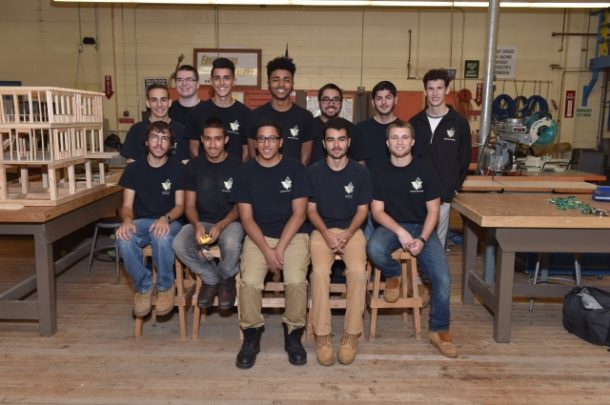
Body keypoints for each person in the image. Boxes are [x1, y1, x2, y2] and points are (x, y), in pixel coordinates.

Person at [366, 119, 457, 359]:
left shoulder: (425, 170)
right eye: (394, 138)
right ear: (387, 143)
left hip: (422, 227)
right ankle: (393, 274)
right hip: (391, 226)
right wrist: (400, 231)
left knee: (443, 278)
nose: (400, 142)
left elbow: (434, 211)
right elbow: (377, 212)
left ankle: (439, 330)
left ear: (413, 142)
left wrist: (423, 239)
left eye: (405, 137)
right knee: (374, 248)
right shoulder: (379, 172)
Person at [231, 121, 311, 369]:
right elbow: (246, 218)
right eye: (261, 139)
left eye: (272, 139)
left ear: (281, 142)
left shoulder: (296, 169)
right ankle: (251, 334)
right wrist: (267, 250)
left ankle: (293, 334)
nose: (266, 144)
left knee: (296, 281)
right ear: (255, 143)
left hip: (293, 235)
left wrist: (279, 249)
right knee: (250, 282)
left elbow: (299, 214)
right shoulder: (245, 172)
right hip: (259, 236)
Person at [307, 117, 372, 366]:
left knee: (357, 272)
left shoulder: (361, 172)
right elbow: (311, 210)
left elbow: (363, 210)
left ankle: (351, 335)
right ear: (324, 144)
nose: (336, 145)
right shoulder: (313, 171)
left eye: (341, 139)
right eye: (331, 140)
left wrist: (347, 234)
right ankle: (322, 335)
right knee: (319, 273)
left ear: (348, 142)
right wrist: (327, 233)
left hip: (351, 230)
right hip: (322, 230)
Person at [172, 117, 244, 311]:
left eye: (218, 139)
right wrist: (196, 225)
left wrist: (221, 225)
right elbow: (189, 205)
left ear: (226, 140)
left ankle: (226, 277)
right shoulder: (193, 167)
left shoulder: (238, 167)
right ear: (202, 140)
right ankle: (211, 278)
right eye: (208, 139)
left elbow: (240, 207)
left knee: (231, 243)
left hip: (230, 222)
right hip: (201, 221)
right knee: (179, 243)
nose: (213, 144)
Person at [116, 121, 185, 318]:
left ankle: (165, 286)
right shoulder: (133, 169)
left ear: (170, 144)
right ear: (146, 142)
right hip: (143, 221)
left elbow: (180, 206)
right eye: (154, 137)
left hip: (171, 222)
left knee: (161, 235)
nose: (159, 143)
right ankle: (144, 286)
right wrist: (127, 221)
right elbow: (126, 206)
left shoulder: (178, 169)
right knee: (123, 237)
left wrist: (165, 218)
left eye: (164, 139)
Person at [410, 69, 471, 247]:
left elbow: (464, 160)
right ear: (425, 91)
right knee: (414, 240)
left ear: (447, 90)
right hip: (416, 194)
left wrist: (451, 189)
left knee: (437, 245)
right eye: (431, 88)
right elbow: (408, 157)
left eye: (439, 88)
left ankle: (435, 267)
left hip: (442, 197)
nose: (435, 93)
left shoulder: (459, 123)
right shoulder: (415, 122)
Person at [248, 57, 314, 166]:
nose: (281, 84)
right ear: (268, 83)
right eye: (276, 80)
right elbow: (253, 155)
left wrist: (297, 174)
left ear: (293, 83)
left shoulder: (305, 117)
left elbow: (305, 157)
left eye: (286, 80)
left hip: (294, 176)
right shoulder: (254, 116)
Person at [188, 58, 252, 162]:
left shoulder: (246, 114)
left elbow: (246, 152)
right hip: (204, 172)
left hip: (235, 172)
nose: (222, 83)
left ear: (234, 81)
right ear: (211, 81)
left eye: (226, 78)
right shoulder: (197, 112)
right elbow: (193, 150)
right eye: (217, 78)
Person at [121, 84, 190, 163]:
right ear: (148, 103)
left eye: (163, 100)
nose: (159, 104)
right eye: (154, 100)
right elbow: (132, 162)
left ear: (169, 102)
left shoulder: (182, 131)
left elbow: (185, 162)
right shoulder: (136, 130)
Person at [310, 83, 369, 165]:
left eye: (336, 100)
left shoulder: (353, 130)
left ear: (341, 102)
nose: (331, 103)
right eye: (326, 99)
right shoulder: (308, 127)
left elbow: (360, 164)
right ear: (319, 102)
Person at [356, 80, 398, 171]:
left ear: (395, 100)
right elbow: (358, 163)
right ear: (373, 102)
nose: (384, 102)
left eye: (388, 98)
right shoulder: (360, 129)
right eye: (379, 98)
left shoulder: (404, 129)